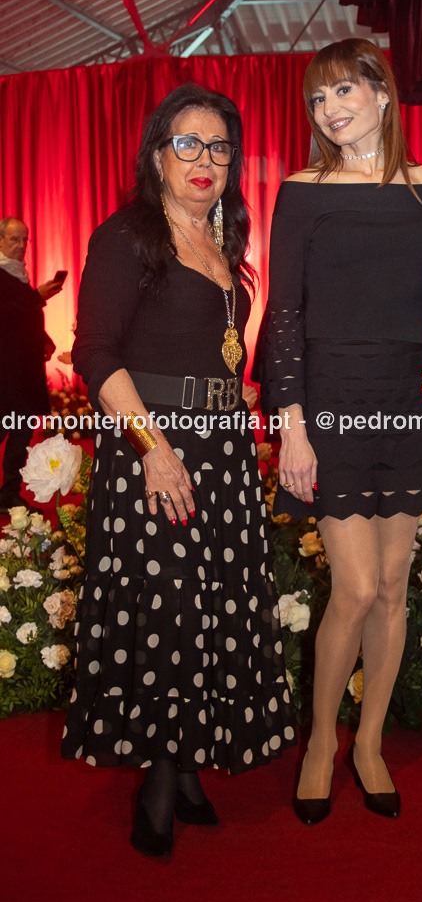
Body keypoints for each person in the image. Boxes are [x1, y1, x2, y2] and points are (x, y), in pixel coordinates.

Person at [61, 83, 296, 857]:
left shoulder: (225, 239)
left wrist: (238, 405)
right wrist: (153, 449)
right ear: (157, 155)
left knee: (210, 608)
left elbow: (215, 350)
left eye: (219, 146)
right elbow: (95, 353)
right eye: (187, 143)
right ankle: (159, 782)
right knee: (167, 613)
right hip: (156, 452)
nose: (205, 159)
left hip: (222, 449)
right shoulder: (127, 236)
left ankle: (188, 765)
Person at [258, 38, 422, 825]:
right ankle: (322, 742)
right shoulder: (301, 191)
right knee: (352, 587)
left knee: (390, 586)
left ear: (382, 94)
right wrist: (292, 427)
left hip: (406, 399)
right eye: (317, 98)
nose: (329, 109)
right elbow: (284, 312)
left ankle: (370, 744)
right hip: (330, 402)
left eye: (343, 90)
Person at [0, 217, 60, 514]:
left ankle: (9, 495)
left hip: (23, 371)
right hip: (6, 373)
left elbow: (21, 319)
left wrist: (44, 341)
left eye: (25, 239)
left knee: (21, 435)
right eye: (15, 239)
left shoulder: (17, 274)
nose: (21, 245)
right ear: (0, 240)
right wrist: (36, 297)